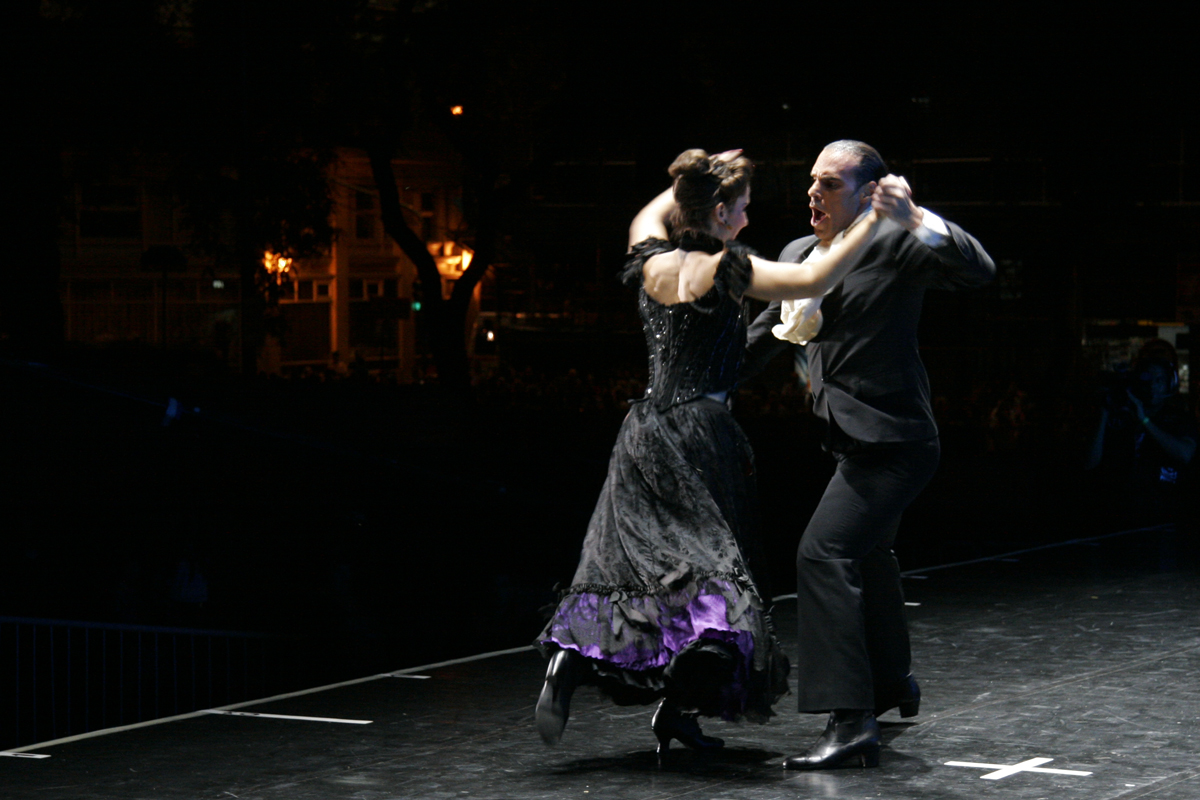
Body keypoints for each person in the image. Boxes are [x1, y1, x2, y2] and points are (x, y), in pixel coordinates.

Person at [535, 148, 886, 756]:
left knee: (640, 573)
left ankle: (599, 676)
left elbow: (652, 210)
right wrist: (876, 220)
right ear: (721, 213)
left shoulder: (649, 258)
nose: (747, 222)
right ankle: (678, 705)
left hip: (642, 429)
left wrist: (693, 180)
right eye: (742, 210)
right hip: (701, 436)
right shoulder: (726, 269)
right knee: (720, 582)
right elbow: (812, 280)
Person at [743, 140, 995, 770]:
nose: (812, 194)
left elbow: (979, 269)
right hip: (851, 439)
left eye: (828, 184)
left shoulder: (891, 241)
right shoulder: (802, 255)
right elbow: (758, 341)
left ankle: (850, 721)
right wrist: (690, 384)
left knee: (823, 553)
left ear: (867, 192)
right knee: (870, 554)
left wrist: (915, 218)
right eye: (811, 182)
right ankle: (888, 684)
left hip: (897, 440)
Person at [1085, 341, 1196, 527]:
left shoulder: (1179, 419)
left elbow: (1185, 453)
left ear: (1170, 384)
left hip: (1163, 517)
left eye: (1159, 380)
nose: (1152, 386)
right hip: (1116, 517)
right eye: (1147, 379)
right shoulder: (1120, 415)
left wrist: (1144, 421)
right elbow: (1089, 463)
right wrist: (1104, 414)